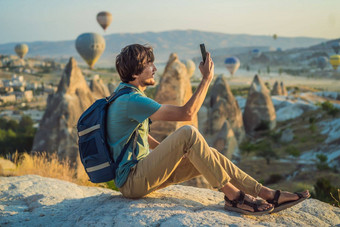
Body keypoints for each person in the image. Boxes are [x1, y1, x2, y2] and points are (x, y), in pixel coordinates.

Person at [107, 44, 310, 215]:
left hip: (142, 176)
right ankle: (235, 197)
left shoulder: (122, 95)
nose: (154, 68)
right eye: (149, 65)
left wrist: (169, 152)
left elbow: (138, 133)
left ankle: (266, 193)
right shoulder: (131, 100)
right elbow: (187, 114)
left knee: (209, 154)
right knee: (189, 133)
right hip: (134, 181)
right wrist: (206, 79)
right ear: (135, 73)